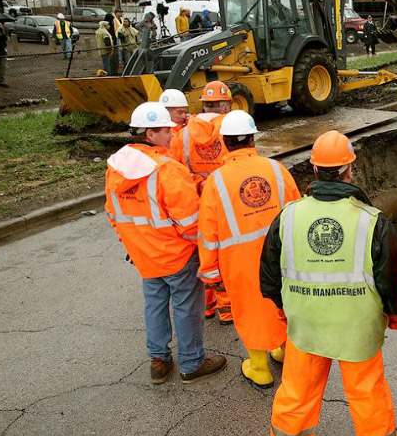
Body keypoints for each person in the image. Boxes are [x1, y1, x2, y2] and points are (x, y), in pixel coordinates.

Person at [259, 130, 397, 436]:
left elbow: (269, 273)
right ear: (349, 171)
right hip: (357, 329)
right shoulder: (372, 220)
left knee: (297, 392)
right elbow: (391, 275)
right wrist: (396, 313)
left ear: (314, 169)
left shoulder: (289, 216)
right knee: (367, 393)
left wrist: (283, 308)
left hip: (306, 326)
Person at [104, 101, 227, 383]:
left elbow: (114, 213)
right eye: (166, 131)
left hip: (144, 256)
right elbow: (190, 223)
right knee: (186, 307)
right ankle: (192, 363)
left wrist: (133, 245)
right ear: (150, 135)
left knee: (155, 305)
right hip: (178, 256)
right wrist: (204, 250)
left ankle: (159, 361)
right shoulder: (168, 170)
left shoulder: (116, 166)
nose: (172, 134)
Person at [198, 110, 301, 389]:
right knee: (282, 304)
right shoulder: (276, 170)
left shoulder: (215, 182)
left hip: (239, 262)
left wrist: (208, 271)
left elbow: (208, 232)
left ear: (225, 142)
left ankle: (259, 368)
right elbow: (298, 210)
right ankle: (284, 352)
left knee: (251, 311)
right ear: (253, 139)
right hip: (280, 256)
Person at [170, 80, 233, 323]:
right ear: (226, 105)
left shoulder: (183, 135)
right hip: (224, 202)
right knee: (224, 252)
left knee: (202, 252)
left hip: (195, 203)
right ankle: (226, 309)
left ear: (205, 106)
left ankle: (206, 306)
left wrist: (197, 183)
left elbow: (175, 172)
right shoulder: (231, 129)